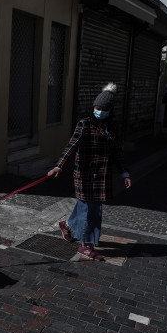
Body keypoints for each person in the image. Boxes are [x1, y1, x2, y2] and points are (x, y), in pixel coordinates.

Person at [47, 83, 131, 261]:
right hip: (84, 176)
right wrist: (59, 166)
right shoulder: (84, 123)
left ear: (109, 110)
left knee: (86, 207)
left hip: (102, 177)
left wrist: (124, 173)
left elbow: (117, 151)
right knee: (93, 211)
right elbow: (71, 145)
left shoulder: (112, 127)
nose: (99, 111)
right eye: (97, 107)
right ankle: (86, 246)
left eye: (103, 109)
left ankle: (68, 225)